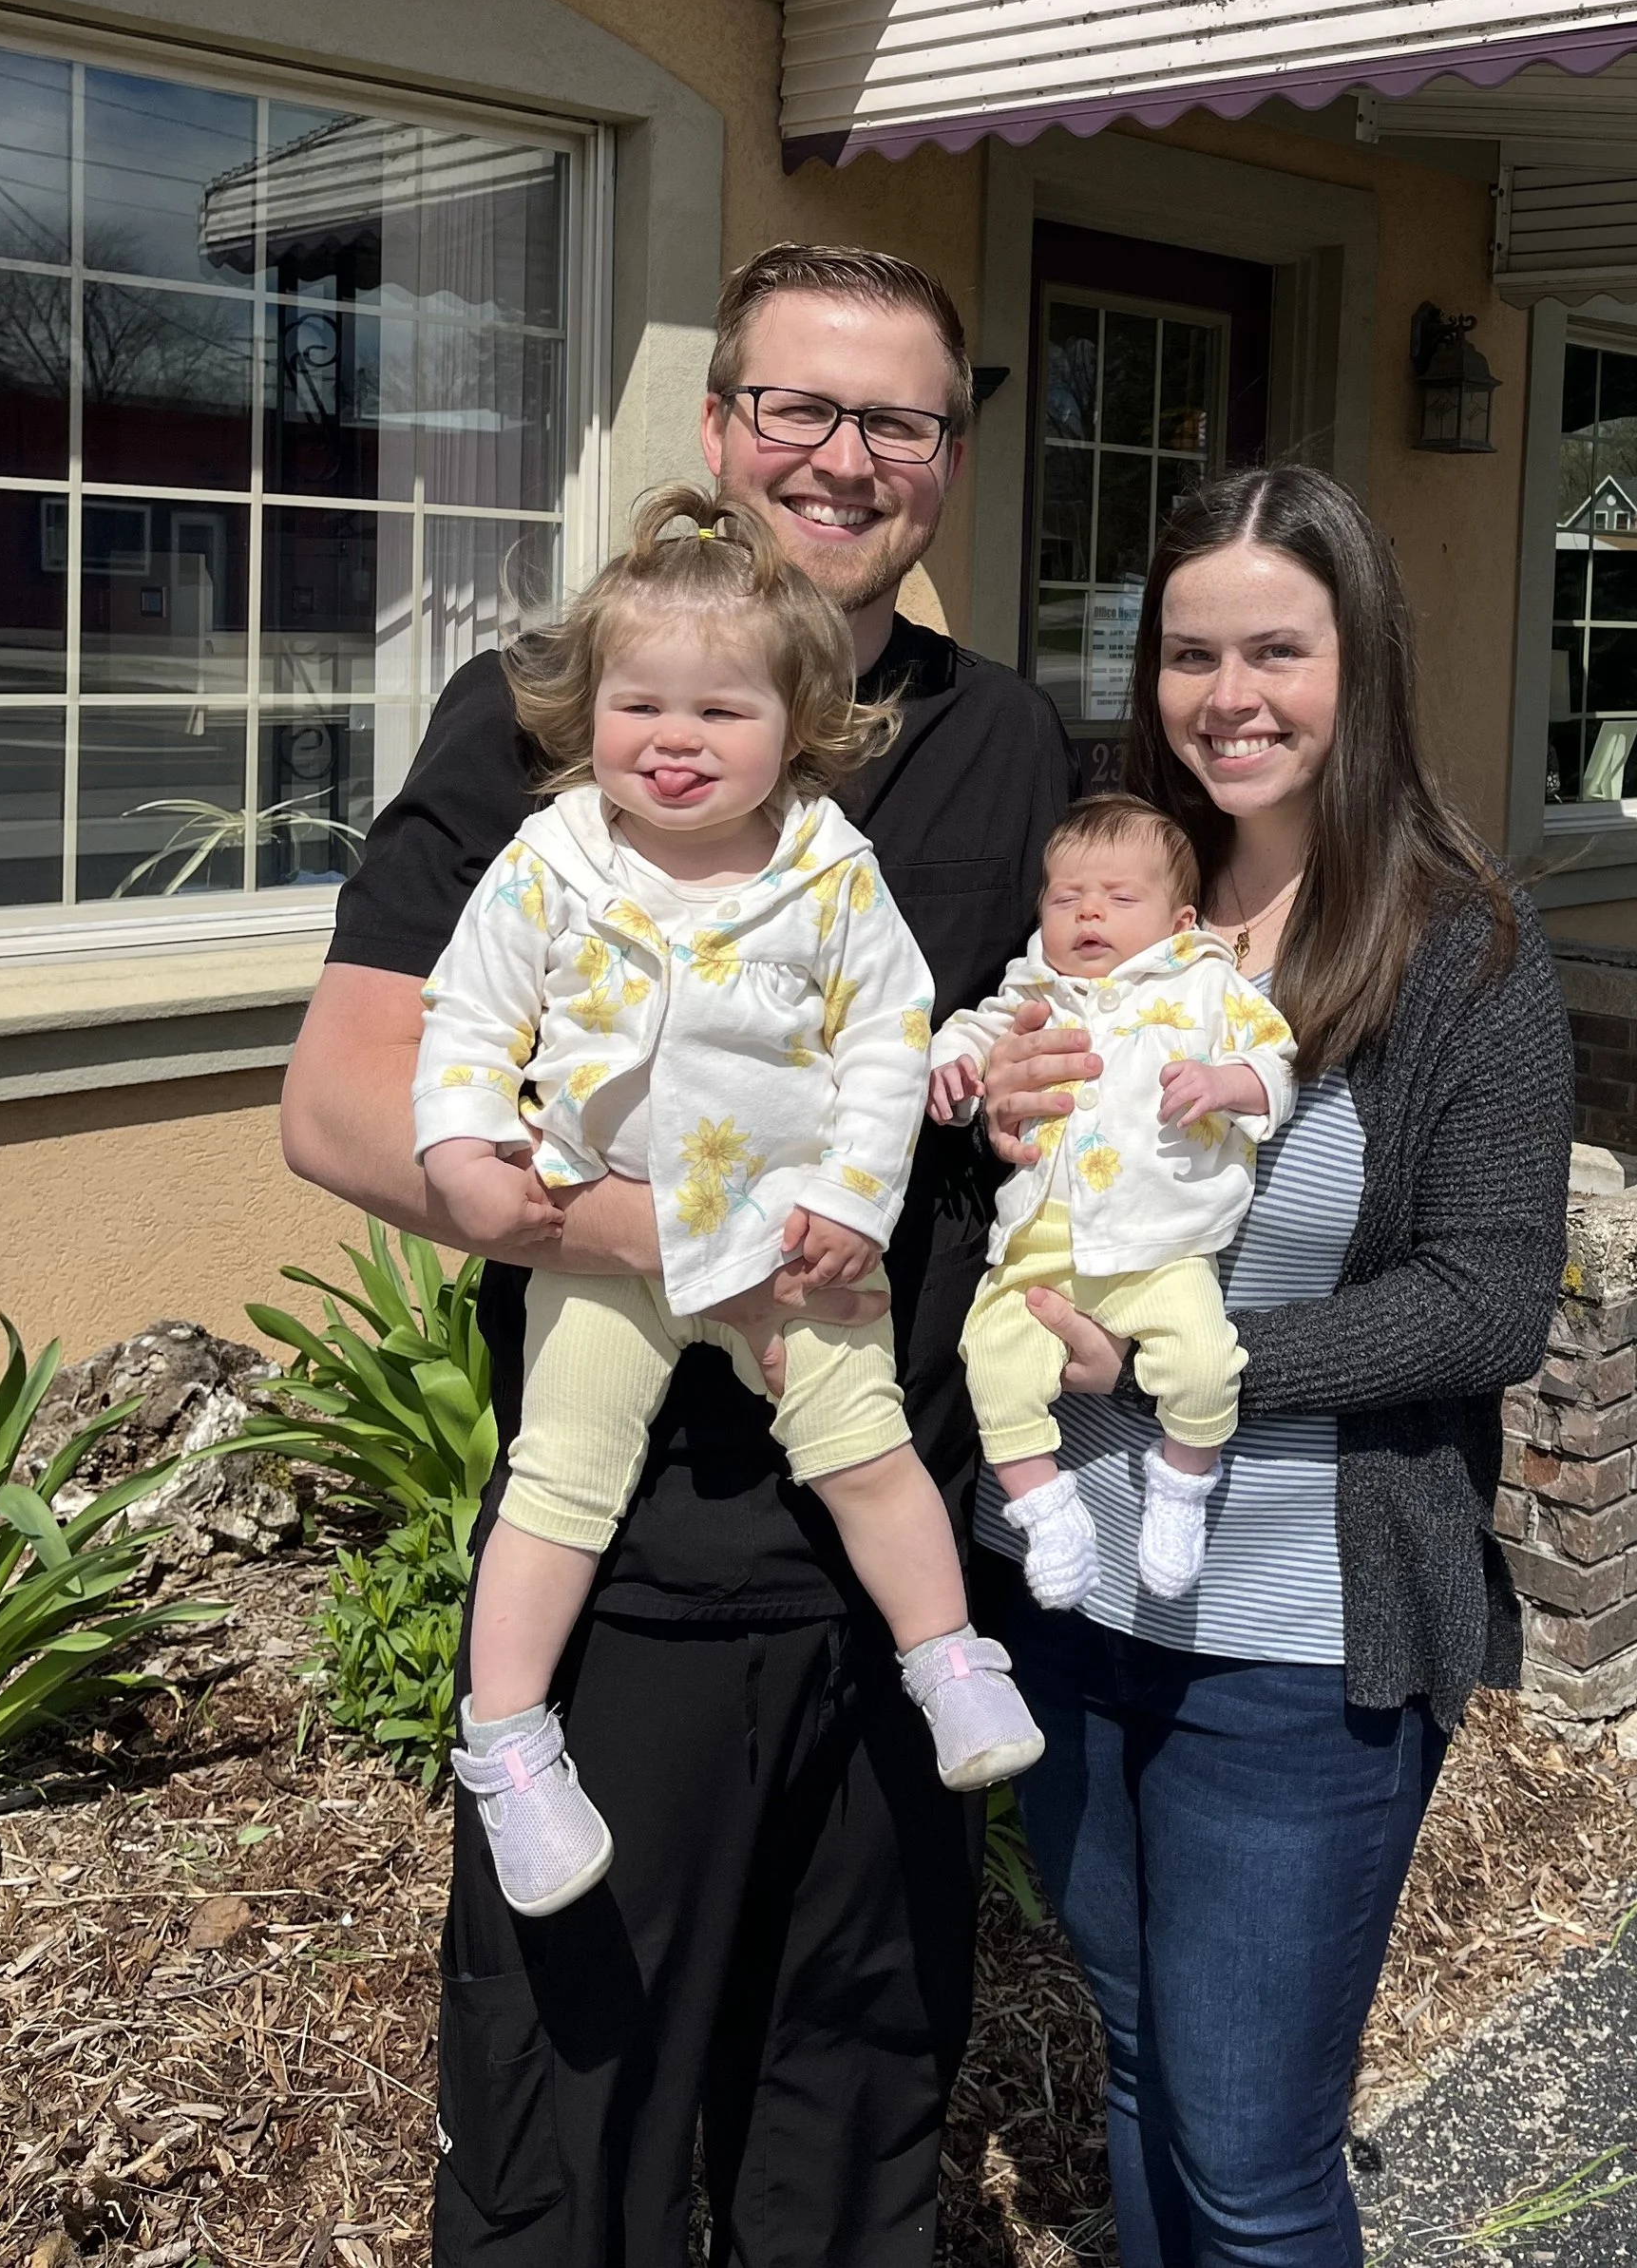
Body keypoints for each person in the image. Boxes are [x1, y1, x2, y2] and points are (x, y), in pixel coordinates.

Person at [280, 243, 1074, 2268]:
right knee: (576, 2134)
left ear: (948, 462)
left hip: (894, 1546)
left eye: (896, 419)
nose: (842, 456)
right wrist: (688, 1239)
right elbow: (348, 1099)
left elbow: (1012, 1060)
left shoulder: (1010, 745)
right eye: (796, 406)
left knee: (856, 2109)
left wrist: (1057, 1081)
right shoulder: (552, 711)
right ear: (718, 430)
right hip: (629, 1557)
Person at [970, 465, 1574, 2268]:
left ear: (1357, 662)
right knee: (1141, 2069)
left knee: (1250, 2153)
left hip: (1296, 1647)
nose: (1230, 693)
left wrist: (1191, 1369)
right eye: (1190, 652)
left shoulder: (1463, 951)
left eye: (1276, 649)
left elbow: (1487, 1302)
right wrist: (988, 1115)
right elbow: (1008, 1193)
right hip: (1067, 1600)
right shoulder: (1099, 923)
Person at [419, 486, 1041, 1917]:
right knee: (560, 1480)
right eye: (641, 706)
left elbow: (887, 1045)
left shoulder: (828, 874)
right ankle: (508, 1744)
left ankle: (944, 1656)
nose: (676, 741)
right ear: (590, 715)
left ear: (799, 725)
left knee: (865, 1445)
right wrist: (462, 1145)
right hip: (600, 1235)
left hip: (791, 1249)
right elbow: (465, 1018)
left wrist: (851, 1199)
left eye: (722, 713)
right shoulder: (554, 861)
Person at [930, 794, 1296, 1609]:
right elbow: (976, 1035)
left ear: (1180, 916)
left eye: (1121, 898)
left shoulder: (1206, 983)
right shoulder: (1035, 987)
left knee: (1204, 1364)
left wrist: (1223, 1081)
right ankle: (1044, 1509)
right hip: (1038, 1248)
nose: (1089, 911)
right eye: (1066, 898)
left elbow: (1278, 1064)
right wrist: (954, 1071)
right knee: (992, 1364)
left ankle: (1181, 1488)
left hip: (1159, 1245)